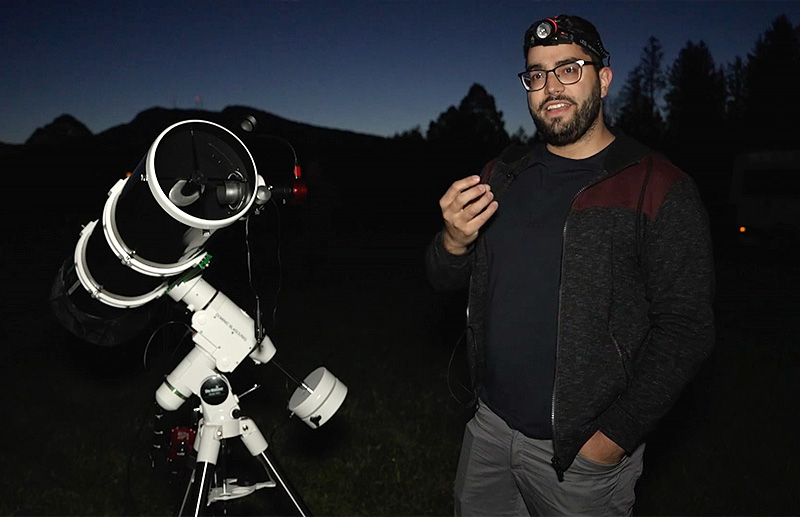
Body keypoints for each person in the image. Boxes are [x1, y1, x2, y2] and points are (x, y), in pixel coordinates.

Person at [425, 14, 715, 516]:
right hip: (490, 431)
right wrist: (452, 241)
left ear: (603, 79)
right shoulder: (503, 175)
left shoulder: (657, 186)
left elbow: (687, 328)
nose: (550, 87)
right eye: (536, 74)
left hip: (581, 458)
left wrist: (612, 438)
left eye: (569, 69)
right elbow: (442, 280)